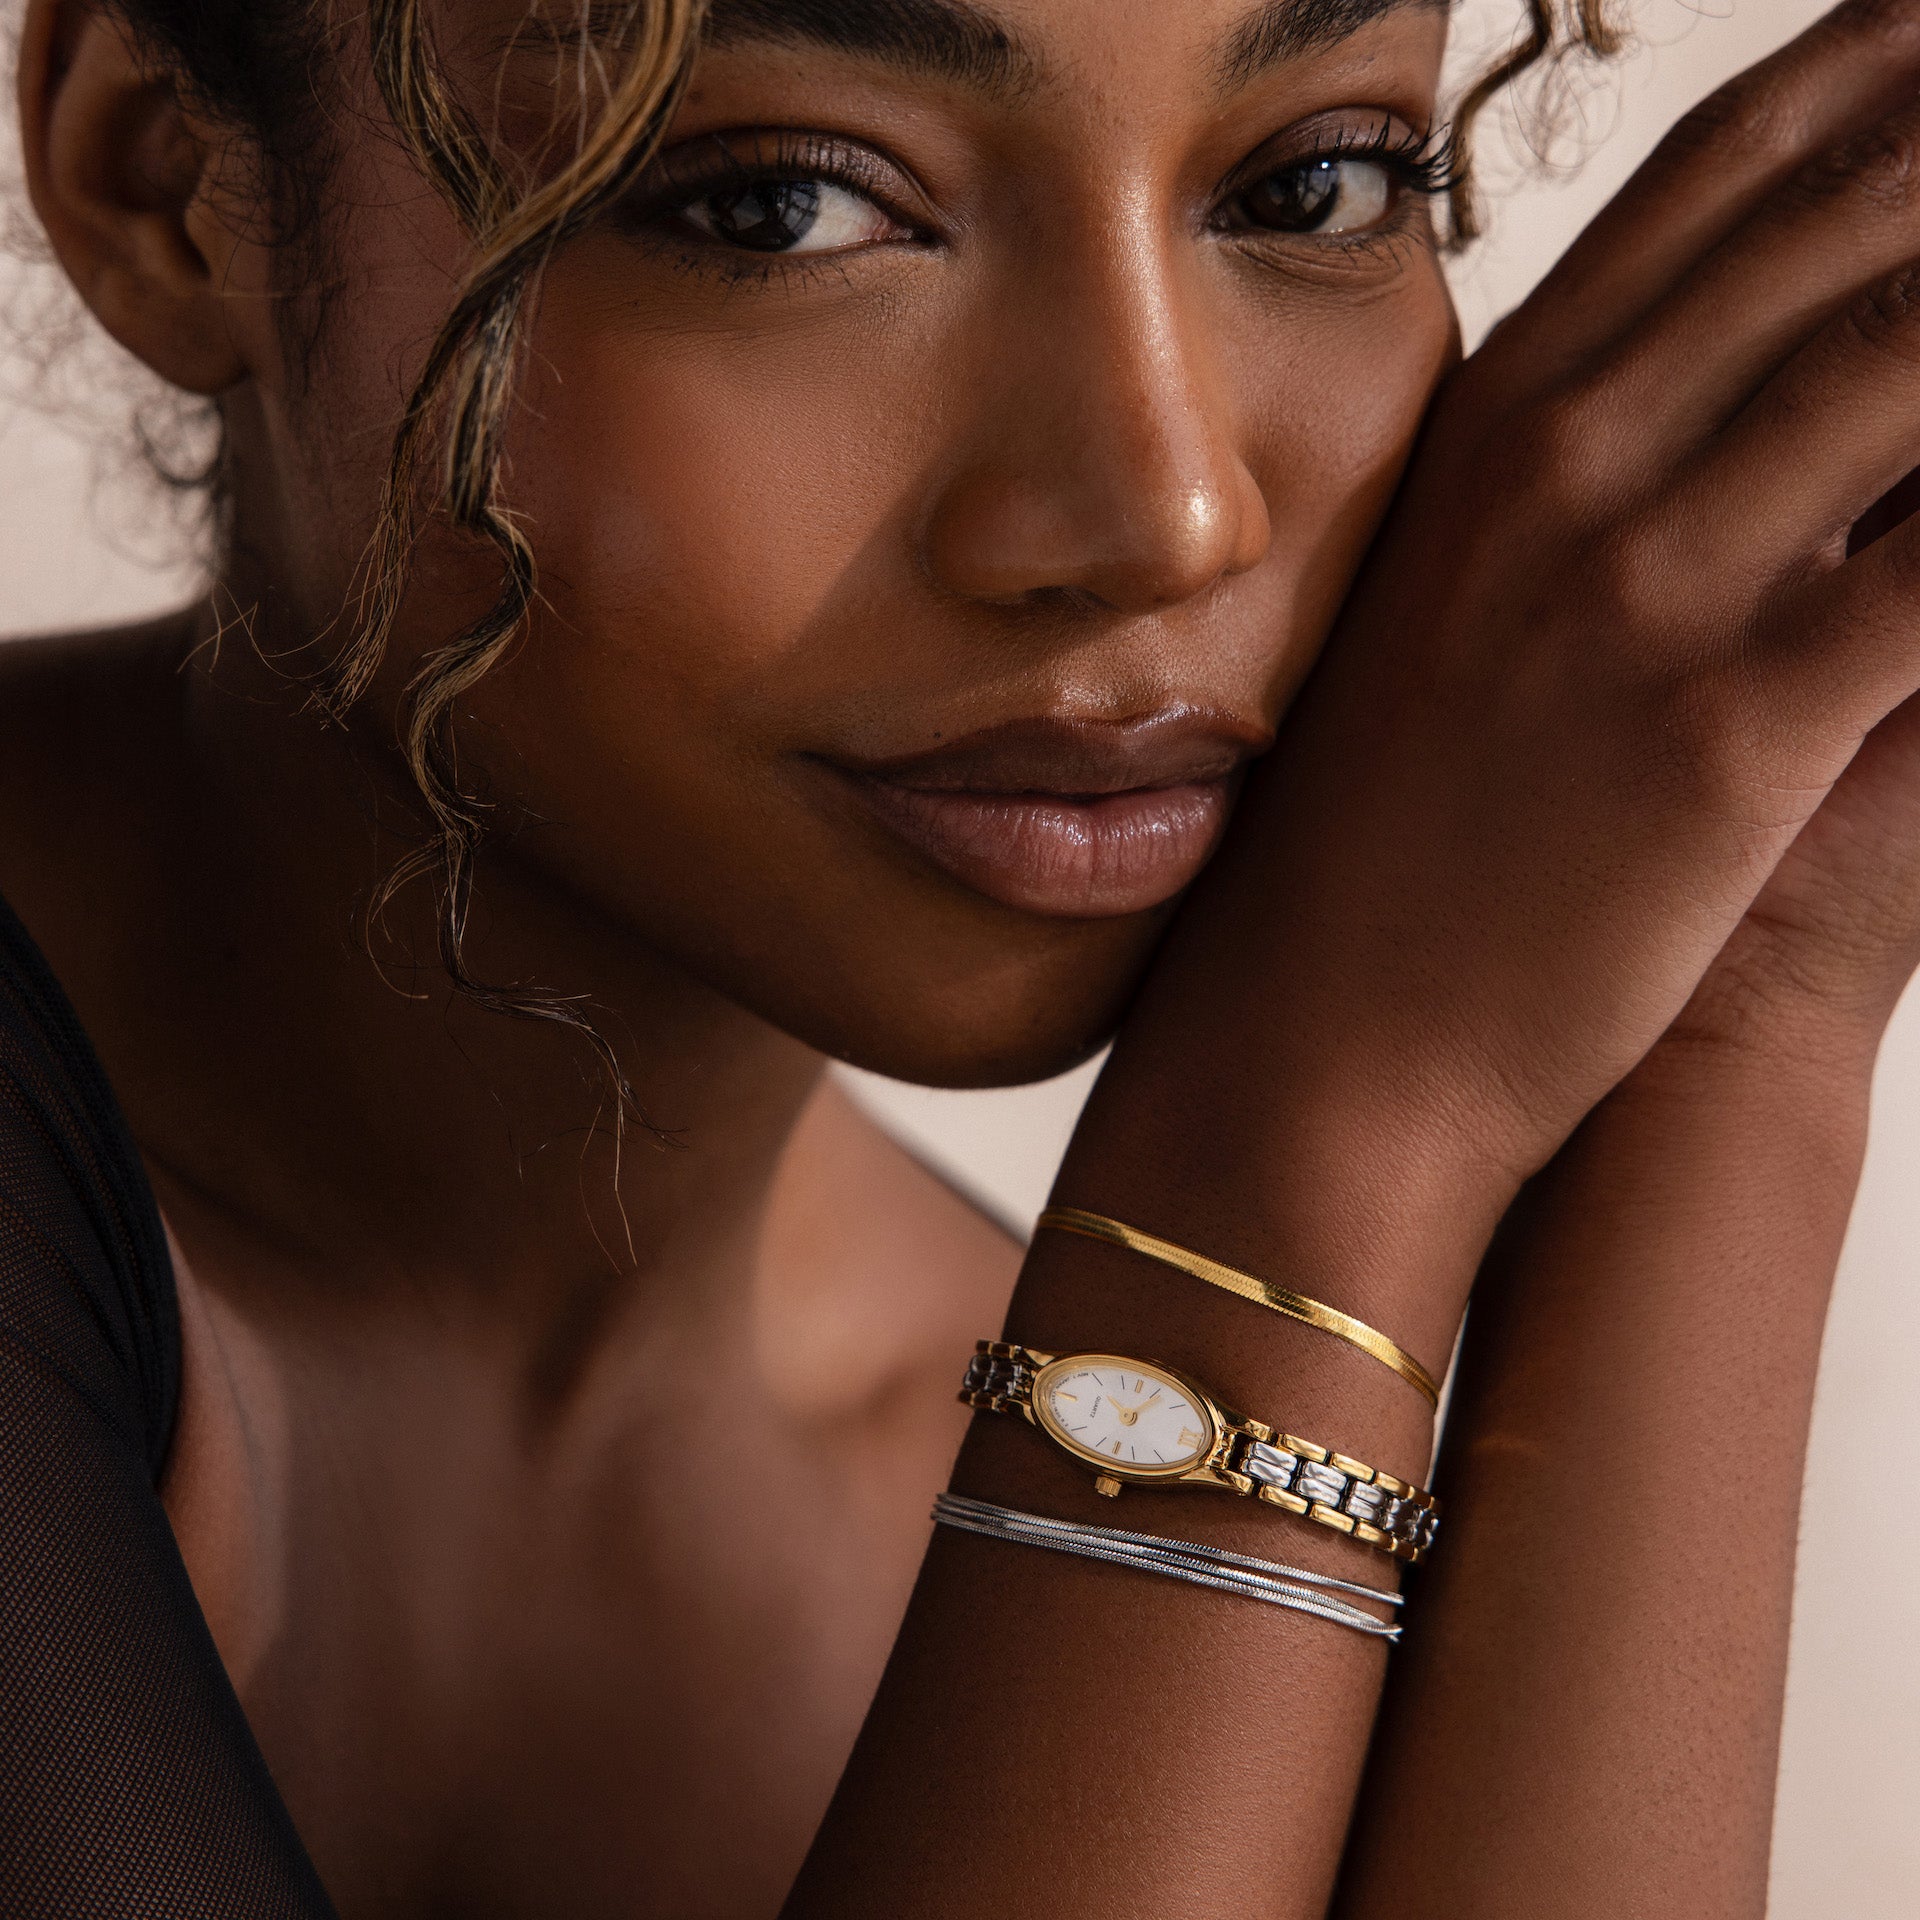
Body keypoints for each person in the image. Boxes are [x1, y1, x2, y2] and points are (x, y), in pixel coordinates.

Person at [3, 0, 1917, 1911]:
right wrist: (1320, 1132)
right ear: (164, 185)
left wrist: (1747, 1016)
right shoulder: (1200, 1380)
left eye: (1311, 183)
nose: (1167, 514)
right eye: (781, 213)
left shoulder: (1061, 1435)